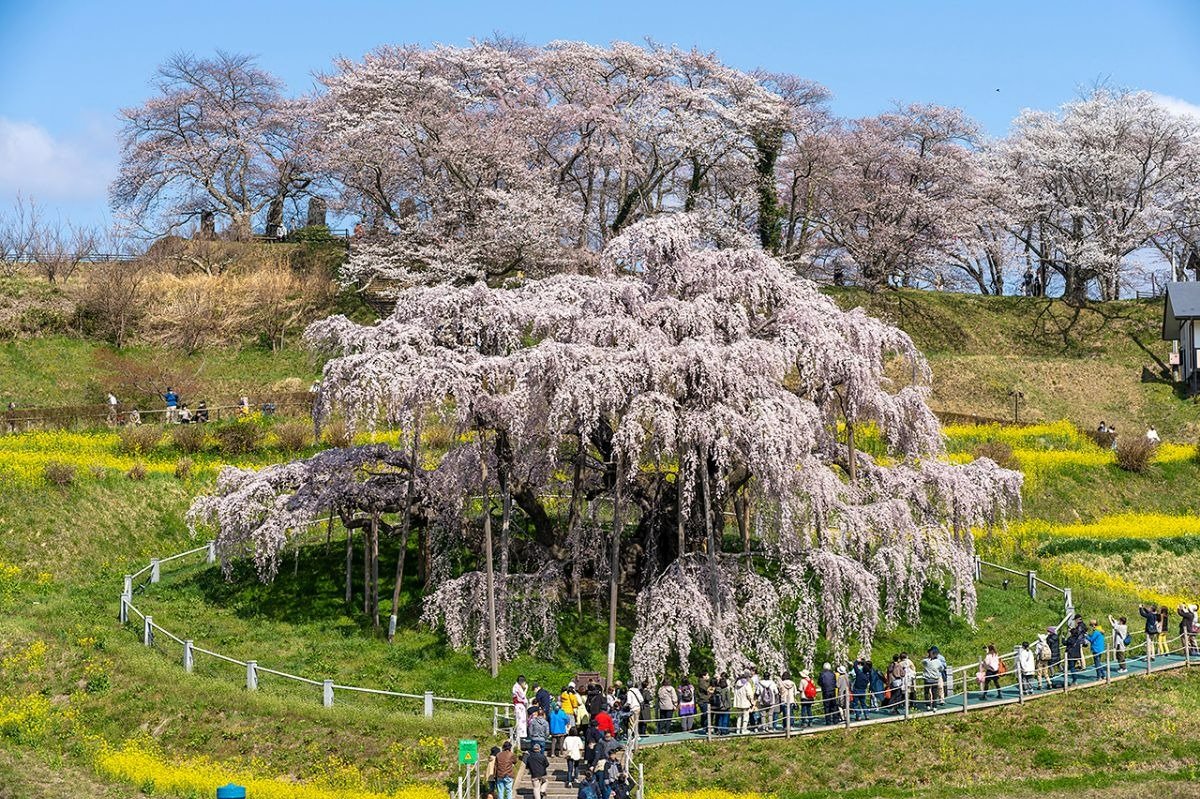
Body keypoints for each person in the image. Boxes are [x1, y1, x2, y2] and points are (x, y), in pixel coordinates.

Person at [512, 675, 529, 743]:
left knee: (523, 720)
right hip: (519, 705)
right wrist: (525, 689)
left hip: (521, 705)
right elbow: (522, 696)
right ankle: (519, 735)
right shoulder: (516, 687)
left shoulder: (518, 686)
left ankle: (522, 735)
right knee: (520, 720)